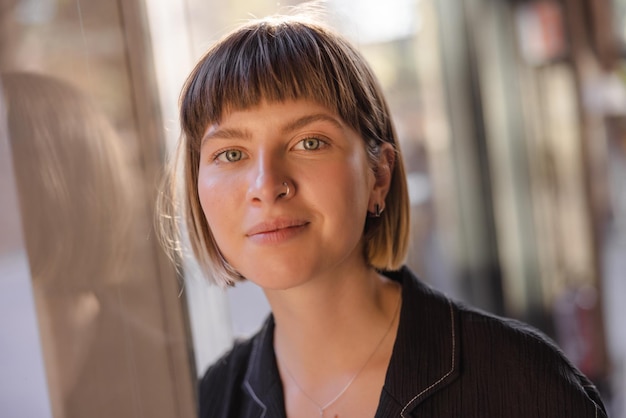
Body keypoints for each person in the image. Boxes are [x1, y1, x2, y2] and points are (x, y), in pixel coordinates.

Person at [160, 13, 608, 418]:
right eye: (232, 153)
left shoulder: (518, 382)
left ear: (379, 175)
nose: (266, 185)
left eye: (309, 142)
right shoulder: (212, 400)